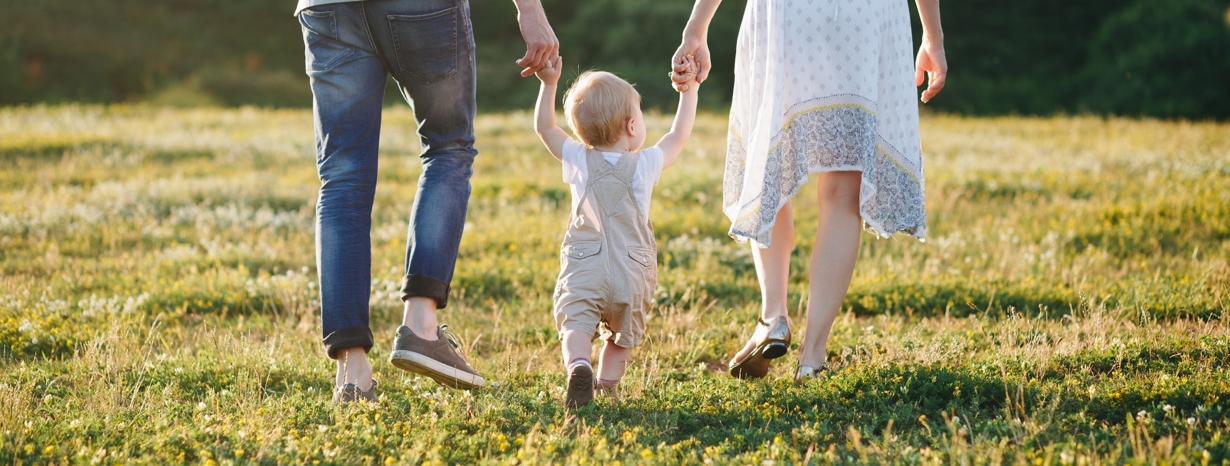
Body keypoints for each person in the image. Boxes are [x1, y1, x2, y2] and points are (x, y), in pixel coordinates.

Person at [295, 0, 560, 403]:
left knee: (342, 180)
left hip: (327, 8)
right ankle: (421, 323)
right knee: (448, 148)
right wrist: (530, 10)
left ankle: (353, 371)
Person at [670, 0, 947, 382]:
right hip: (864, 18)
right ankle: (812, 356)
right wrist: (933, 35)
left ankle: (774, 318)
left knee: (770, 156)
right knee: (841, 192)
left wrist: (696, 29)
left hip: (787, 14)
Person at [532, 55, 701, 408]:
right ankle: (607, 387)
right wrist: (689, 91)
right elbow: (679, 135)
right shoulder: (647, 163)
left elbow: (545, 128)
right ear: (631, 126)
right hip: (632, 270)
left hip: (585, 267)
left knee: (575, 325)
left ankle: (578, 364)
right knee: (621, 338)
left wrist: (548, 85)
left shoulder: (578, 158)